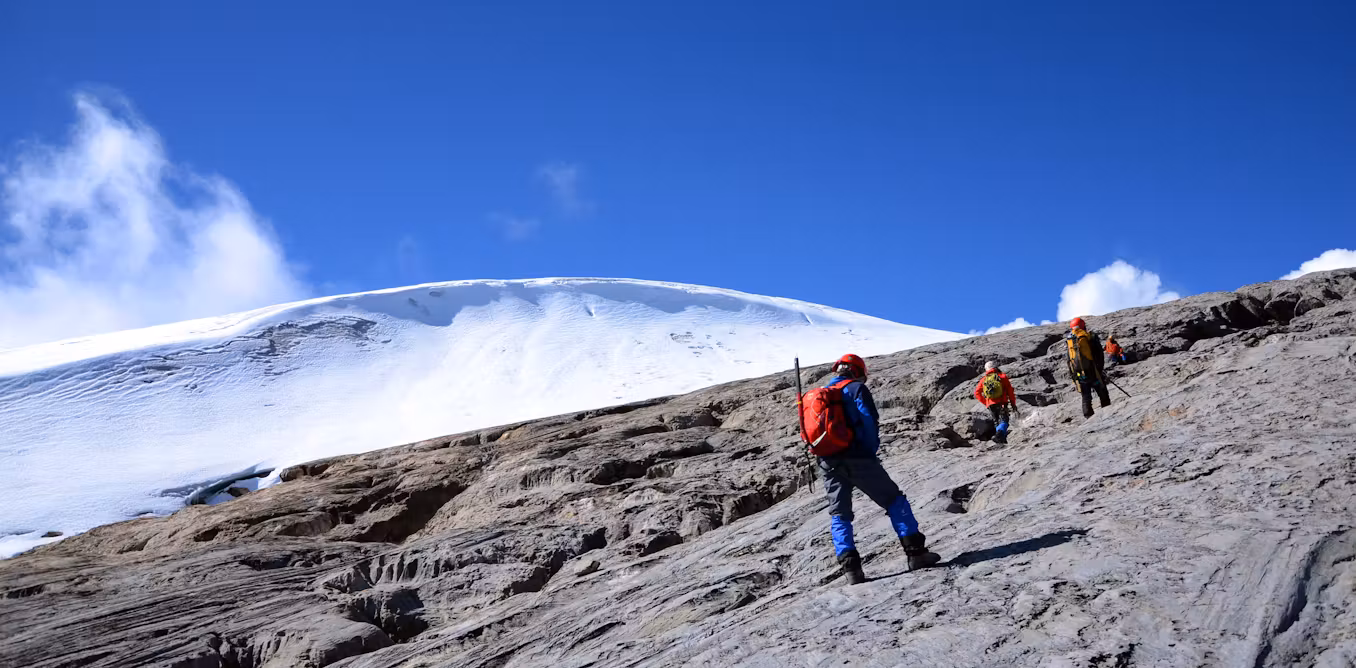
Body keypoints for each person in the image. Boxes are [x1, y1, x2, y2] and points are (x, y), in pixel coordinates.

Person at [815, 354, 940, 585]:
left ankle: (851, 570)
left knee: (839, 513)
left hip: (828, 461)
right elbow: (869, 423)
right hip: (858, 458)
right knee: (894, 500)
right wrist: (870, 452)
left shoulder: (820, 394)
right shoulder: (856, 389)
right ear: (858, 372)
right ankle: (916, 554)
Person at [1066, 318, 1112, 418]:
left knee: (1086, 396)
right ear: (1083, 326)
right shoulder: (1089, 336)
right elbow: (1099, 354)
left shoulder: (1070, 339)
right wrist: (1100, 369)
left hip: (1079, 374)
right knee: (1102, 391)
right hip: (1093, 371)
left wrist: (1073, 375)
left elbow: (1069, 359)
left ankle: (1088, 417)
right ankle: (1107, 413)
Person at [973, 361, 1018, 444]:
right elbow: (1010, 392)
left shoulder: (984, 379)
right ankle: (999, 435)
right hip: (1002, 402)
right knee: (1004, 420)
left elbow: (977, 393)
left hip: (990, 404)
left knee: (996, 421)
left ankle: (1001, 438)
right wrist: (1013, 403)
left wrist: (986, 402)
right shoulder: (1002, 377)